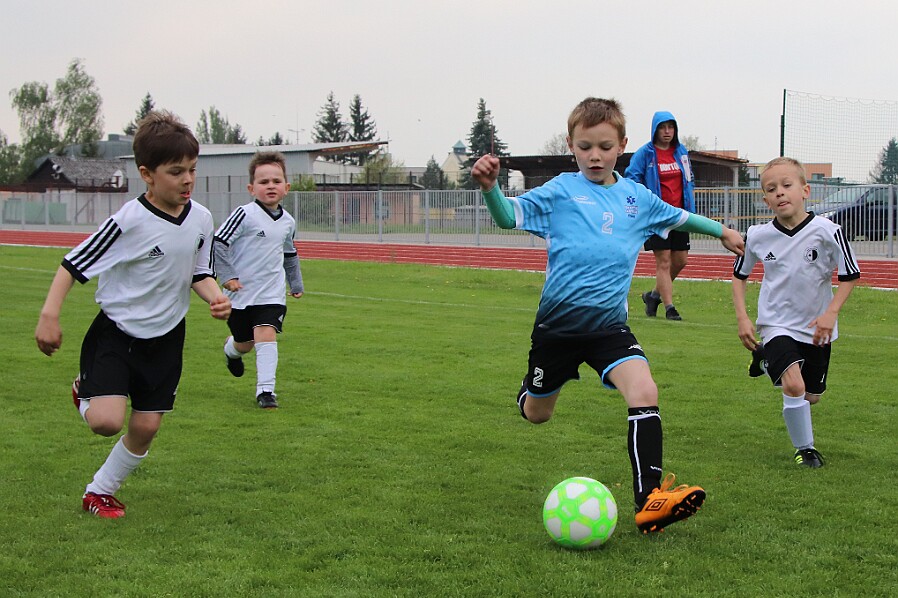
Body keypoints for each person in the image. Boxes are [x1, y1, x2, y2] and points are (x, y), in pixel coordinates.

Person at [471, 97, 744, 533]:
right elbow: (508, 217)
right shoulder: (560, 191)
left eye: (604, 146)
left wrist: (724, 230)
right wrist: (490, 188)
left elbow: (680, 217)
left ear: (623, 146)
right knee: (538, 415)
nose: (594, 155)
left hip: (608, 328)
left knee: (644, 389)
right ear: (571, 146)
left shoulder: (636, 198)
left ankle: (650, 500)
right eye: (584, 147)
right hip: (557, 330)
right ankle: (529, 391)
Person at [35, 111, 231, 518]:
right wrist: (49, 316)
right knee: (106, 422)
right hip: (117, 334)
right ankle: (83, 391)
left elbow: (200, 271)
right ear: (147, 174)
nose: (187, 180)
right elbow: (72, 265)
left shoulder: (202, 219)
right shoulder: (128, 221)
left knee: (147, 427)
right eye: (176, 172)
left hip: (166, 339)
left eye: (192, 170)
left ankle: (100, 492)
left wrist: (214, 298)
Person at [732, 157, 859, 468]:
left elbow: (850, 275)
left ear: (805, 190)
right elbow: (739, 275)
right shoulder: (758, 235)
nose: (780, 193)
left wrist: (831, 314)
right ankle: (806, 450)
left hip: (816, 326)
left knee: (811, 397)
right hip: (775, 323)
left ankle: (764, 361)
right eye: (771, 189)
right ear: (765, 200)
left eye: (787, 186)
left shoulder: (829, 231)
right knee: (794, 385)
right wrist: (743, 318)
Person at [214, 151, 304, 409]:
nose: (270, 186)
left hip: (271, 294)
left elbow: (289, 253)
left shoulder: (288, 221)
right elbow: (219, 243)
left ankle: (266, 391)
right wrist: (229, 276)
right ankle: (230, 352)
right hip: (240, 294)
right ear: (252, 188)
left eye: (276, 181)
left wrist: (295, 283)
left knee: (266, 334)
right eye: (263, 182)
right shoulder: (244, 214)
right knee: (245, 343)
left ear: (286, 187)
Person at [625, 111, 695, 321]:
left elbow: (689, 180)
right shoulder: (645, 153)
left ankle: (654, 295)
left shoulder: (681, 152)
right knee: (663, 262)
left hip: (680, 215)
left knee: (680, 260)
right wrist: (645, 202)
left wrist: (690, 207)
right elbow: (632, 178)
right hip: (656, 217)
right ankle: (669, 307)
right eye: (663, 127)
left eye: (670, 127)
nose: (667, 132)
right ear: (655, 129)